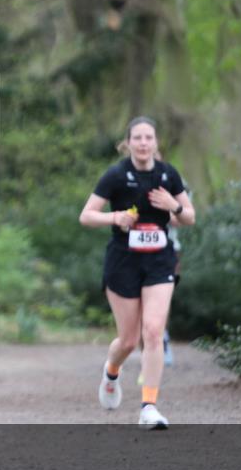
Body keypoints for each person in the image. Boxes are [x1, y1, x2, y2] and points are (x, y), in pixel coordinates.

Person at [79, 116, 194, 429]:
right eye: (138, 138)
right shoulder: (116, 175)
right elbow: (86, 216)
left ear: (156, 143)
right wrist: (115, 218)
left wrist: (175, 205)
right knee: (128, 340)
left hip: (159, 261)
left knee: (153, 331)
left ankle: (149, 407)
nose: (144, 143)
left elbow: (190, 218)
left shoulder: (168, 174)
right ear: (128, 143)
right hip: (123, 261)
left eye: (149, 138)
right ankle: (111, 372)